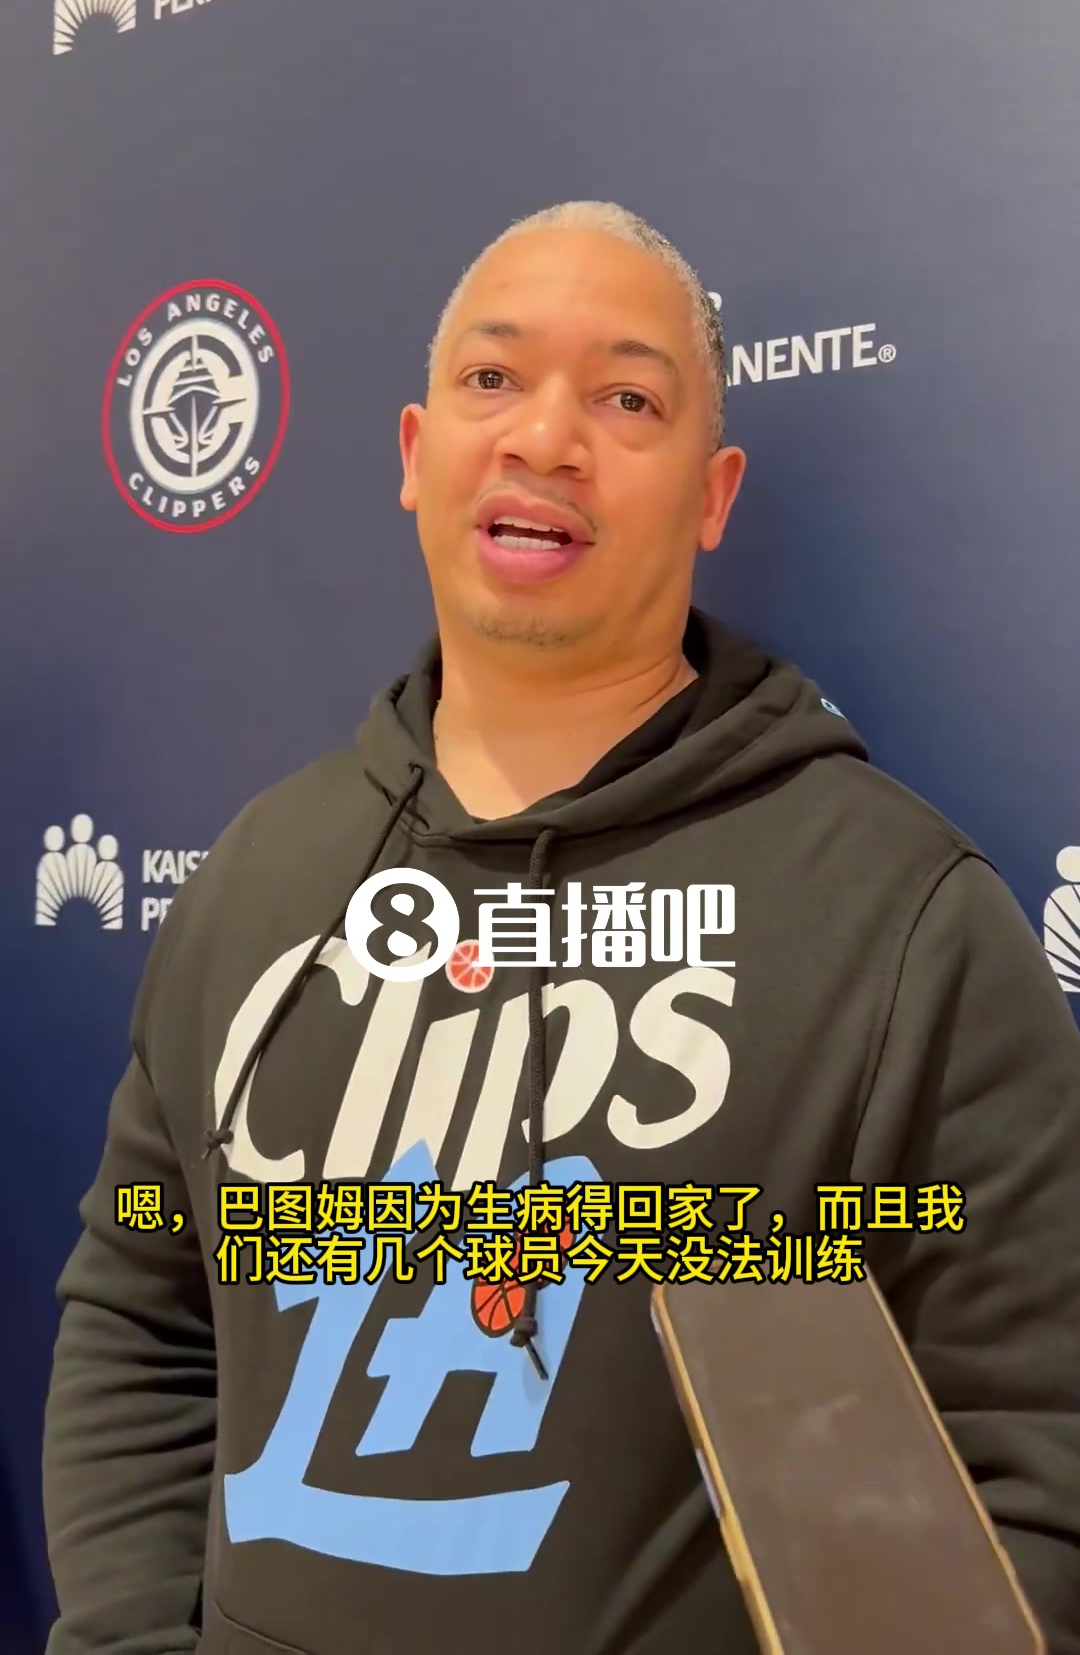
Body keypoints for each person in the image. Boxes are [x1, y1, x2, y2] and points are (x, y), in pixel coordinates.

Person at [43, 201, 1080, 1655]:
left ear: (713, 495)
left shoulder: (903, 918)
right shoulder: (255, 881)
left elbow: (1031, 1450)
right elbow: (145, 1326)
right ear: (416, 456)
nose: (544, 437)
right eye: (493, 378)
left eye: (627, 400)